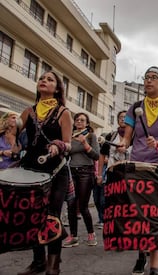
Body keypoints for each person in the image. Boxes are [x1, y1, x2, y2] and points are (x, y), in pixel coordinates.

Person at [120, 66, 158, 275]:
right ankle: (140, 255)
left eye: (154, 78)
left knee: (156, 217)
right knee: (138, 216)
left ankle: (154, 267)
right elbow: (127, 139)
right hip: (137, 167)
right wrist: (122, 144)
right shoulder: (135, 107)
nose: (149, 81)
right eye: (146, 77)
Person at [17, 70, 73, 275]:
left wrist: (59, 145)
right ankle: (38, 261)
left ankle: (53, 265)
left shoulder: (63, 112)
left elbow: (69, 143)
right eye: (42, 78)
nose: (44, 81)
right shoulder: (29, 111)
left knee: (51, 218)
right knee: (33, 217)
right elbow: (15, 134)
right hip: (31, 170)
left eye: (50, 79)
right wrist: (11, 131)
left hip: (55, 171)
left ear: (57, 88)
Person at [62, 113, 99, 248]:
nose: (79, 122)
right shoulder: (69, 136)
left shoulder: (91, 136)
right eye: (77, 120)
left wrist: (84, 143)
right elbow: (65, 154)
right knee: (71, 205)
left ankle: (91, 234)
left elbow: (96, 156)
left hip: (86, 172)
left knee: (83, 206)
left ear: (87, 123)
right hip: (71, 172)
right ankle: (73, 236)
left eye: (82, 120)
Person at [96, 110, 130, 229]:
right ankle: (111, 226)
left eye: (126, 117)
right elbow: (101, 155)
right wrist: (99, 174)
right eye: (120, 117)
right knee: (108, 201)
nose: (123, 119)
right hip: (112, 174)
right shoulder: (111, 136)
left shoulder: (135, 136)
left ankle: (124, 226)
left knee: (126, 202)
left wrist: (126, 150)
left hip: (129, 175)